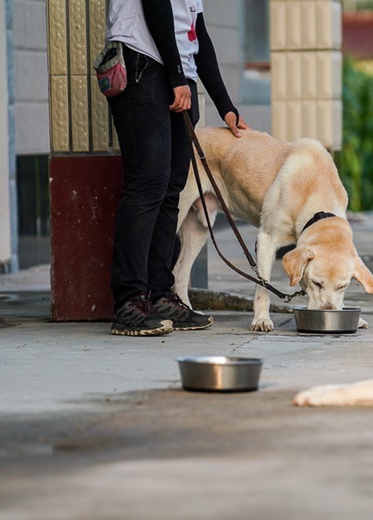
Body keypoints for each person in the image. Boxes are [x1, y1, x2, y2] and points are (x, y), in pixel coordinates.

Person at [105, 0, 250, 336]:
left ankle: (158, 293)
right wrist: (175, 76)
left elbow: (197, 33)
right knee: (147, 186)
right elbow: (156, 6)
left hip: (178, 74)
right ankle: (129, 300)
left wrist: (225, 105)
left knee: (171, 189)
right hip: (143, 64)